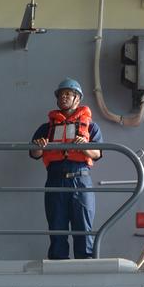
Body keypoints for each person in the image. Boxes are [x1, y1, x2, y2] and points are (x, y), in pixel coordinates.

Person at [30, 78, 103, 259]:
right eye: (61, 95)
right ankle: (57, 261)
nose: (63, 97)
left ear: (77, 99)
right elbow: (34, 153)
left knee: (83, 227)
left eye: (68, 94)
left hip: (81, 178)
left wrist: (85, 145)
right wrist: (40, 145)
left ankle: (85, 262)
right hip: (55, 179)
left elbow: (98, 154)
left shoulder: (91, 127)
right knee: (56, 225)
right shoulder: (46, 128)